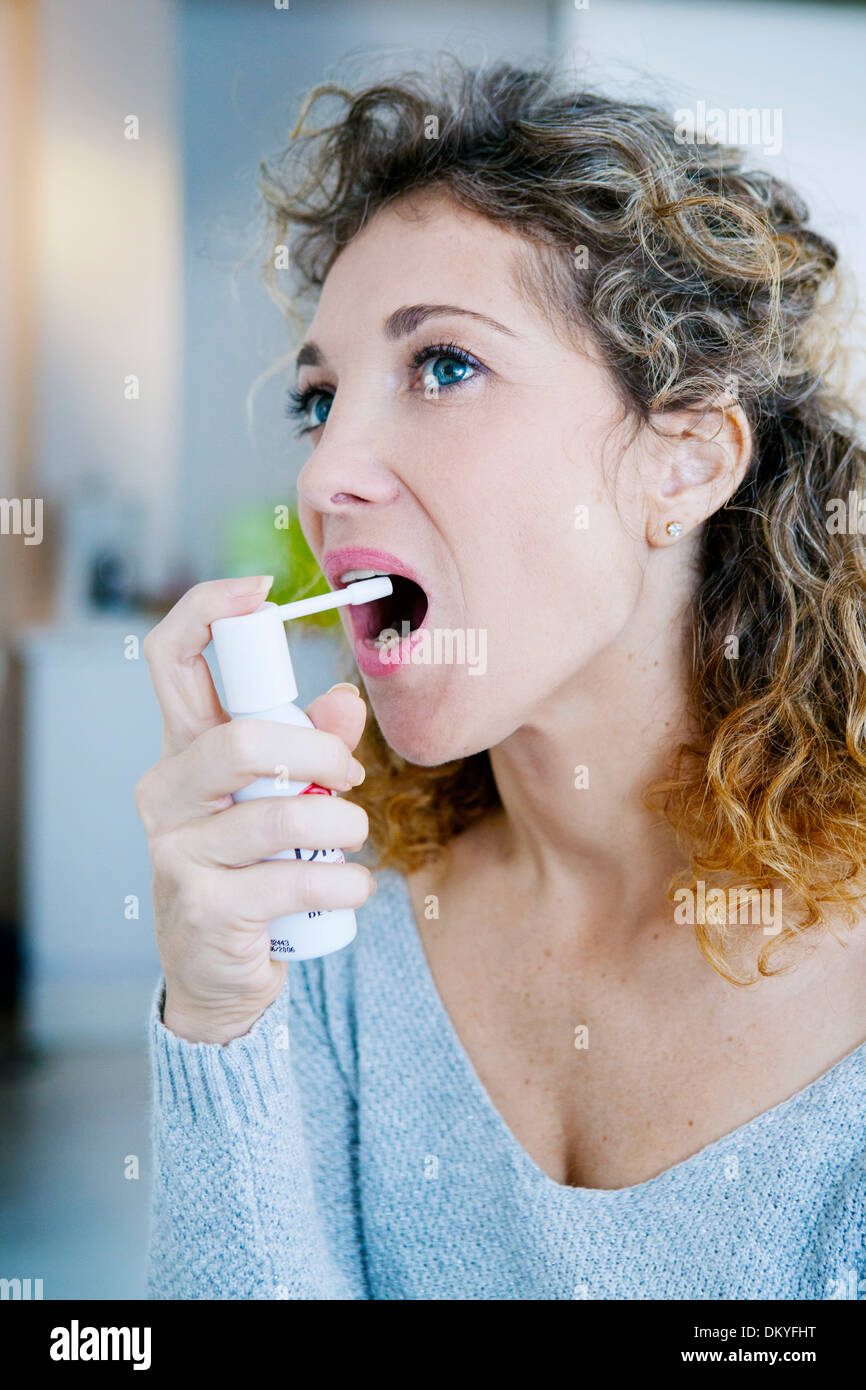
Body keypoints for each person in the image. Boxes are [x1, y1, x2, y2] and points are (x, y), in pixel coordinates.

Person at [136, 60, 866, 1299]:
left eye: (441, 367)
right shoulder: (332, 930)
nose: (323, 480)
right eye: (318, 402)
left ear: (683, 459)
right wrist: (217, 1021)